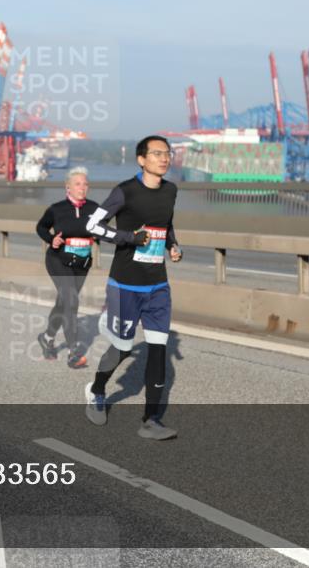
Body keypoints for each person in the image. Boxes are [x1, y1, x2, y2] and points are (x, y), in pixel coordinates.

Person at [83, 136, 183, 440]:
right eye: (157, 154)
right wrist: (128, 238)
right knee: (124, 347)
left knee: (158, 349)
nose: (164, 158)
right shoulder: (125, 191)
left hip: (157, 285)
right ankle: (97, 390)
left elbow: (165, 225)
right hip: (125, 284)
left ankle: (151, 420)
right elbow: (92, 226)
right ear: (141, 159)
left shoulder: (170, 190)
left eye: (167, 153)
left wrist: (172, 245)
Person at [35, 167, 101, 368]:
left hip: (82, 263)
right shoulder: (57, 208)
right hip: (58, 259)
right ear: (68, 187)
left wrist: (129, 238)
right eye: (78, 184)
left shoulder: (94, 209)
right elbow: (41, 227)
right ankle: (74, 351)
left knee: (64, 302)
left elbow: (105, 230)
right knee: (71, 300)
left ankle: (47, 337)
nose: (82, 188)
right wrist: (51, 239)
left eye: (85, 184)